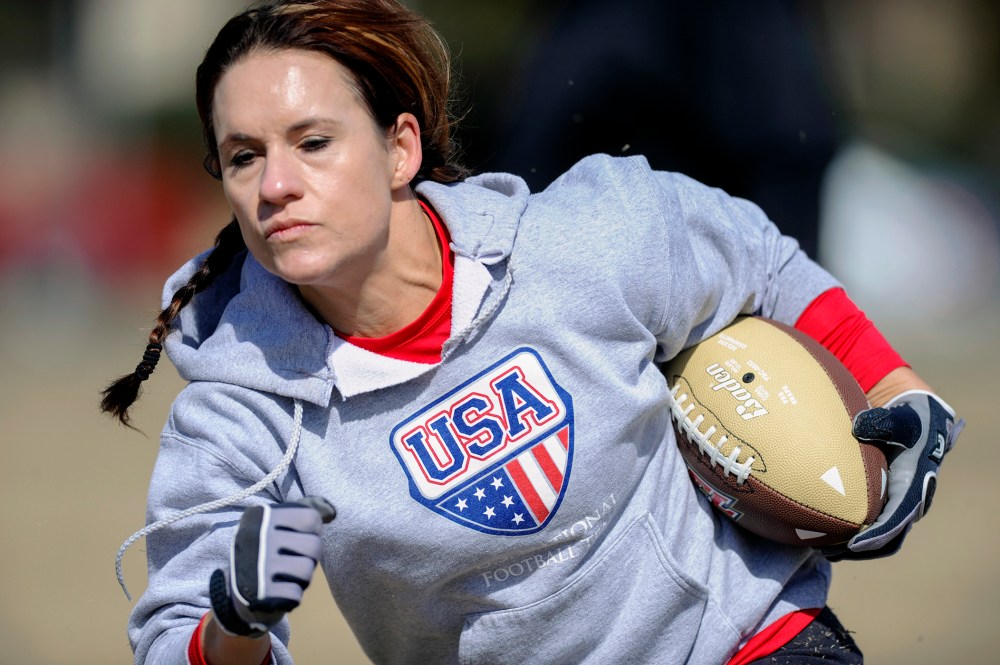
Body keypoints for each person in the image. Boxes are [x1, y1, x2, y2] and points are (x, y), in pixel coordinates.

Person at [100, 1, 962, 664]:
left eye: (312, 141)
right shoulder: (239, 411)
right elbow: (175, 635)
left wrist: (900, 394)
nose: (275, 184)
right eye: (244, 156)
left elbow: (764, 267)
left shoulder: (587, 235)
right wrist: (230, 625)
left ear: (399, 148)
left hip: (749, 643)